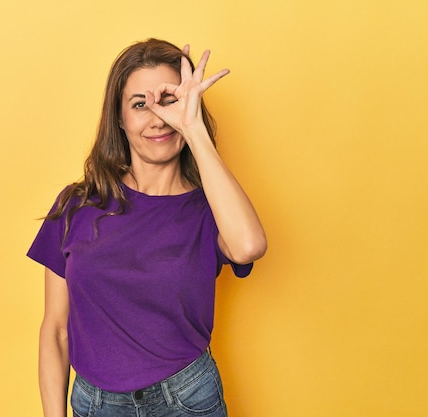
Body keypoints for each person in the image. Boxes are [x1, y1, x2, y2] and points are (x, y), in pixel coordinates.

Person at [27, 38, 267, 417]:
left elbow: (249, 246)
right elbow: (55, 331)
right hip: (96, 405)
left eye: (168, 101)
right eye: (140, 104)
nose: (157, 119)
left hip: (187, 400)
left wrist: (193, 128)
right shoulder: (77, 204)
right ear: (119, 118)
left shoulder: (211, 209)